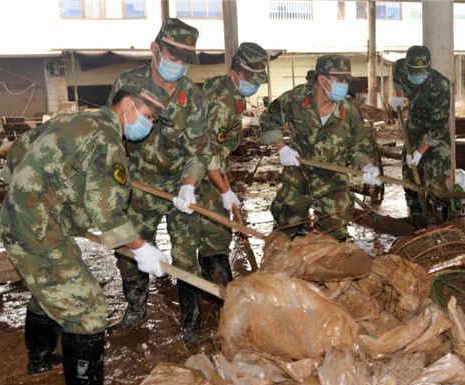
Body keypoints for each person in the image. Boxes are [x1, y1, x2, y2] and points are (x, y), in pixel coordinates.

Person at [0, 85, 171, 385]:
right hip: (38, 230)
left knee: (51, 289)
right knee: (87, 309)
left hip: (25, 221)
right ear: (128, 105)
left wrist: (32, 198)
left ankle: (40, 358)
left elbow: (17, 155)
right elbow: (107, 211)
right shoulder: (107, 139)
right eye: (149, 116)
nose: (150, 125)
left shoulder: (73, 120)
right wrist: (141, 249)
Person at [106, 19, 214, 342]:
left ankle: (191, 322)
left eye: (185, 60)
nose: (178, 65)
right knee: (129, 251)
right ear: (155, 50)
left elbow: (199, 150)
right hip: (139, 185)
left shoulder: (193, 98)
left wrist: (190, 183)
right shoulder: (127, 82)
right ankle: (136, 308)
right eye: (173, 56)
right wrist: (116, 179)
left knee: (185, 255)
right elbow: (113, 132)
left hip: (180, 185)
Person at [167, 42, 268, 325]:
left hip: (210, 175)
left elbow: (217, 153)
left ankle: (221, 305)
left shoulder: (226, 92)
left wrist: (224, 186)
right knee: (186, 248)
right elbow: (205, 151)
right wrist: (225, 191)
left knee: (216, 238)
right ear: (235, 73)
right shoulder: (222, 101)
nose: (254, 85)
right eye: (251, 78)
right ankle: (192, 322)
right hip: (190, 178)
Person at [260, 54, 381, 242]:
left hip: (333, 179)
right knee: (287, 227)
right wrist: (282, 147)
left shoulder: (349, 112)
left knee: (336, 232)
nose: (344, 85)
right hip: (299, 174)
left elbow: (359, 146)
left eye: (346, 80)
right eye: (339, 80)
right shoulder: (297, 99)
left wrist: (367, 166)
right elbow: (268, 119)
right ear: (322, 79)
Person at [396, 46, 452, 228]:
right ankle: (416, 221)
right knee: (409, 178)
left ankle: (441, 221)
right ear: (407, 67)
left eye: (422, 72)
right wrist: (397, 96)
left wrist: (420, 153)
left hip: (436, 135)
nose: (418, 76)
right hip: (413, 130)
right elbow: (396, 77)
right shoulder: (400, 69)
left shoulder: (440, 86)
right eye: (415, 72)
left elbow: (438, 127)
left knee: (436, 183)